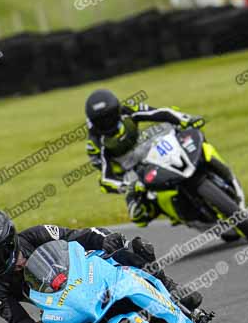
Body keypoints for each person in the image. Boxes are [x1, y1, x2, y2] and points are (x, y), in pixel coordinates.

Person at [0, 210, 201, 323]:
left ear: (10, 241)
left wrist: (104, 241)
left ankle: (169, 287)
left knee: (134, 249)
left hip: (86, 274)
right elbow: (15, 321)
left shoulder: (38, 234)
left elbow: (80, 235)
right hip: (58, 305)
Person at [84, 88, 205, 227]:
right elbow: (106, 178)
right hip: (131, 170)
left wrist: (186, 119)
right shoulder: (95, 143)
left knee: (184, 134)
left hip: (149, 147)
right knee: (137, 215)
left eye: (109, 116)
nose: (107, 123)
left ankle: (204, 164)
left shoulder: (128, 110)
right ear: (93, 121)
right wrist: (127, 186)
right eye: (101, 121)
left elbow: (161, 113)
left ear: (117, 110)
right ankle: (169, 210)